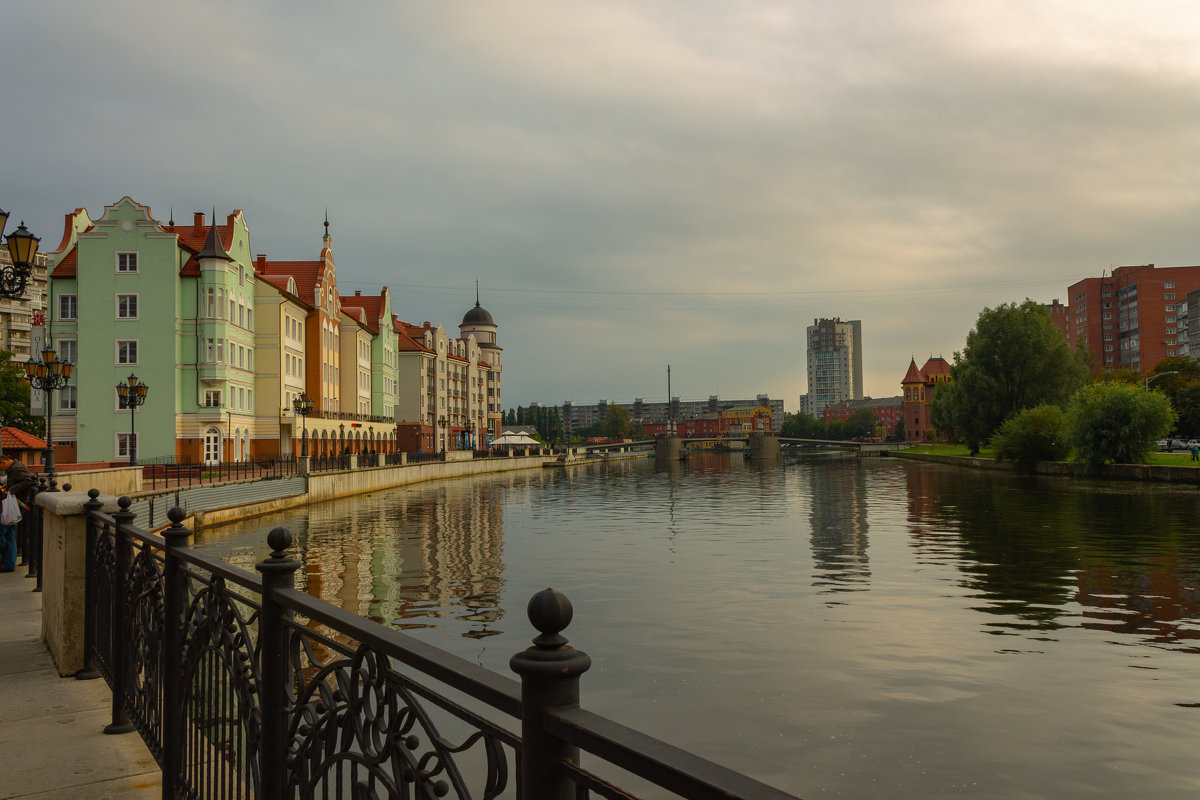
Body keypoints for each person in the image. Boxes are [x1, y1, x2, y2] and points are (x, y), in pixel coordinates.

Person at [0, 455, 33, 573]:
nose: (1, 470)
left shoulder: (17, 468)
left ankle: (7, 558)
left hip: (18, 505)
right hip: (16, 504)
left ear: (3, 462)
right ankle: (9, 564)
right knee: (9, 534)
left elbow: (29, 480)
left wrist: (12, 489)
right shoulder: (14, 467)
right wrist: (7, 486)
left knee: (3, 531)